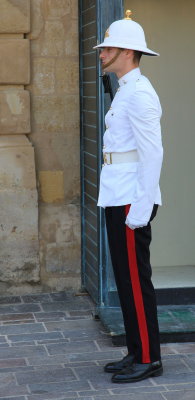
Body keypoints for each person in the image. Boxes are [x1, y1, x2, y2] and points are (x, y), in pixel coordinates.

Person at [93, 10, 164, 383]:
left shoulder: (140, 95)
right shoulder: (125, 90)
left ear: (126, 52)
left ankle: (150, 357)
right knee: (125, 278)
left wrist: (141, 206)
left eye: (107, 49)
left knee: (137, 281)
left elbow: (153, 154)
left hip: (132, 199)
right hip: (118, 194)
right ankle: (136, 350)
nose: (101, 53)